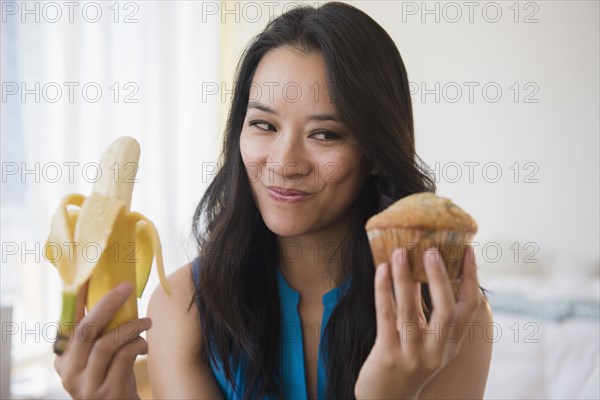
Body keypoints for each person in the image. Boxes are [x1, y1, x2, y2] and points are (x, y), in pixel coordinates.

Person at [54, 2, 493, 399]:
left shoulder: (446, 314)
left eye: (325, 134)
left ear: (377, 151)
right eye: (264, 125)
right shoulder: (182, 307)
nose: (284, 163)